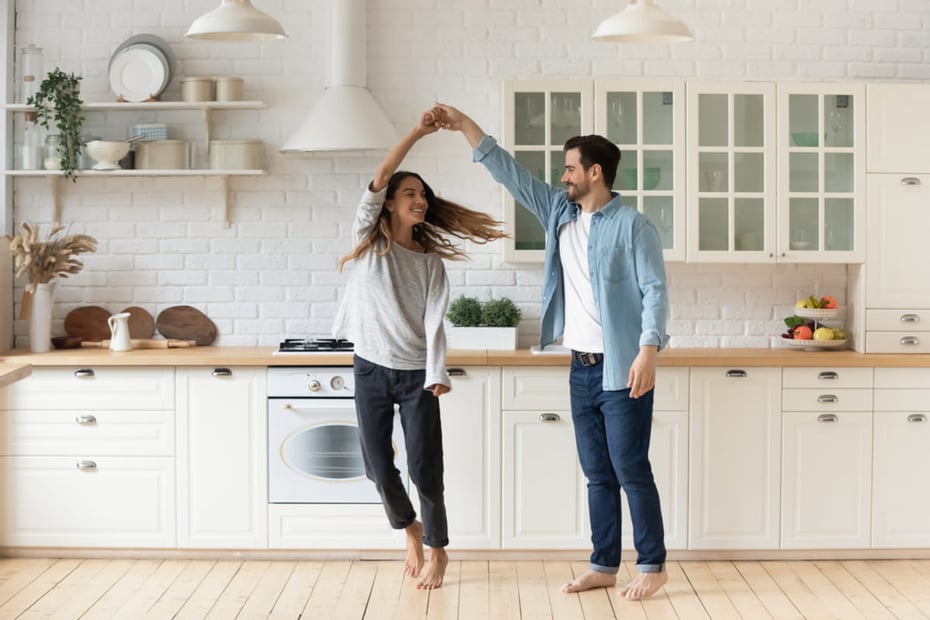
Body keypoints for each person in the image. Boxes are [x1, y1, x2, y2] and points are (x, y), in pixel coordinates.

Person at [435, 103, 670, 601]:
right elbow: (507, 171)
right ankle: (604, 564)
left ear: (594, 172)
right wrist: (462, 125)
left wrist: (648, 350)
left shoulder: (632, 226)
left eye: (569, 167)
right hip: (580, 368)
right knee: (597, 474)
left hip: (622, 366)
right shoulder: (559, 212)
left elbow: (655, 291)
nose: (562, 176)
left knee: (631, 468)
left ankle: (652, 565)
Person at [332, 106, 506, 590]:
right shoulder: (369, 240)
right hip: (370, 365)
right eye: (410, 193)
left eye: (423, 194)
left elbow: (435, 324)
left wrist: (437, 373)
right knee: (375, 464)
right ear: (388, 203)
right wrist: (418, 132)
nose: (420, 199)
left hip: (414, 375)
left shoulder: (430, 263)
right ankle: (409, 528)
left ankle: (437, 550)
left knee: (425, 467)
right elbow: (383, 173)